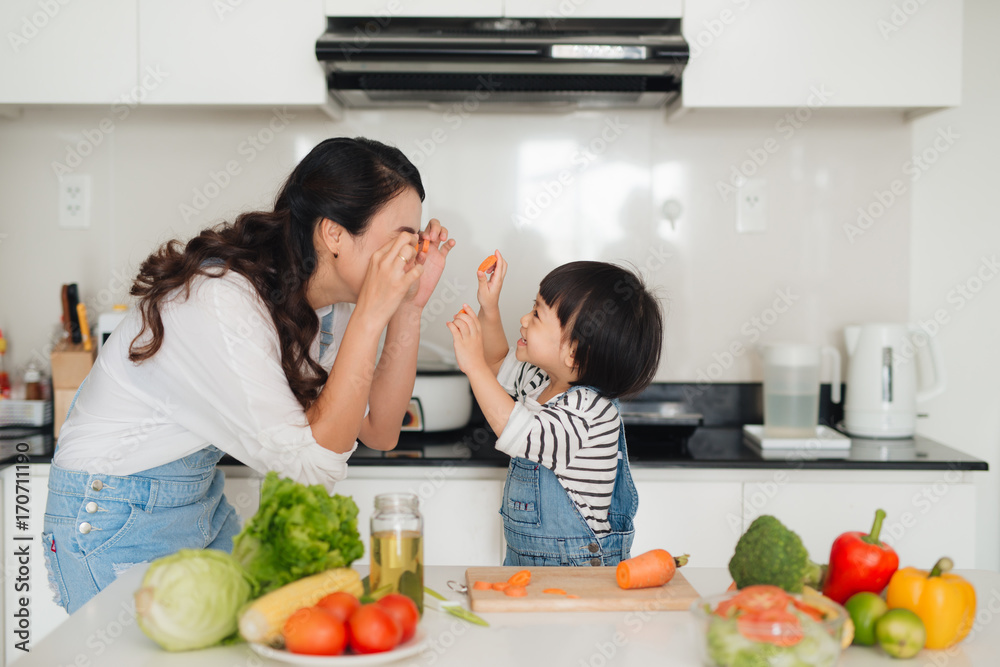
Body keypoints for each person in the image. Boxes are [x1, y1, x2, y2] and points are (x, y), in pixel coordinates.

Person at [43, 137, 455, 613]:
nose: (411, 252)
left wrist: (409, 305)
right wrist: (371, 315)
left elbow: (381, 430)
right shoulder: (221, 299)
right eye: (402, 237)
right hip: (114, 510)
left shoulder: (328, 305)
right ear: (335, 235)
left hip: (195, 504)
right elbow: (310, 469)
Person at [447, 253, 663, 567]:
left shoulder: (587, 411)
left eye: (536, 314)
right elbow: (495, 364)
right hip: (529, 562)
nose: (523, 319)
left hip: (574, 570)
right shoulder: (542, 382)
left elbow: (516, 431)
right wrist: (489, 307)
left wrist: (472, 365)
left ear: (573, 353)